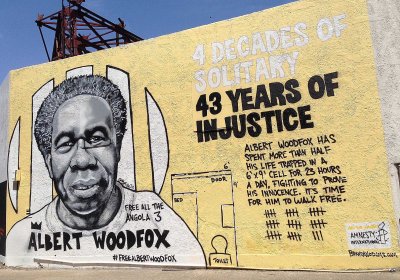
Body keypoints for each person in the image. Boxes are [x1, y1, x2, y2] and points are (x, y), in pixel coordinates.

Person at [6, 75, 205, 267]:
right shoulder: (23, 237)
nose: (82, 160)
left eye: (96, 139)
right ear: (49, 163)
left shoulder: (156, 217)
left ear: (117, 149)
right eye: (66, 143)